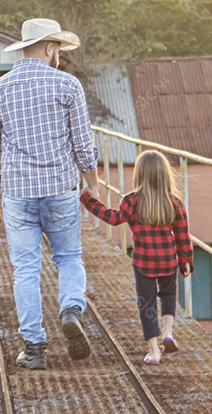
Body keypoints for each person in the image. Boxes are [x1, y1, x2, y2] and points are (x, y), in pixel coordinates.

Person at [0, 18, 101, 371]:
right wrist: (92, 184)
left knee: (26, 270)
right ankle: (71, 310)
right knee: (68, 256)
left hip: (17, 194)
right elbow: (82, 143)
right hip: (61, 188)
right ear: (50, 48)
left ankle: (34, 348)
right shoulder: (68, 86)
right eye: (58, 49)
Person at [79, 150, 192, 365]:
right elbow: (182, 236)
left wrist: (88, 200)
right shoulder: (175, 203)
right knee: (168, 294)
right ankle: (168, 332)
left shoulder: (131, 201)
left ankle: (154, 351)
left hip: (143, 261)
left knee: (146, 304)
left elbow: (113, 219)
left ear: (139, 174)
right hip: (169, 260)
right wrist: (186, 260)